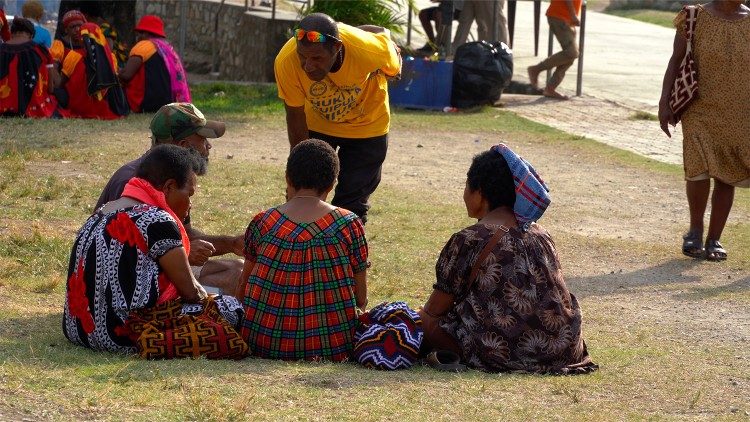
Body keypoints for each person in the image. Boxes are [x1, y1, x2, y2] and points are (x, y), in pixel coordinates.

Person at [419, 144, 597, 374]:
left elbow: (435, 309)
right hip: (563, 350)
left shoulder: (471, 238)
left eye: (466, 185)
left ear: (480, 192)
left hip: (501, 353)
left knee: (419, 320)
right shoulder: (541, 235)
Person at [63, 144, 245, 355]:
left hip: (79, 330)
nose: (190, 204)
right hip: (124, 334)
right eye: (189, 194)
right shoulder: (157, 220)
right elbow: (191, 293)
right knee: (231, 309)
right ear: (168, 187)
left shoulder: (103, 211)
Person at [239, 139, 368, 361]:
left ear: (288, 177)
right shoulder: (349, 224)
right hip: (333, 345)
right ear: (332, 184)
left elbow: (243, 287)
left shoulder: (263, 222)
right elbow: (361, 297)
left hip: (262, 341)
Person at [95, 103, 244, 294]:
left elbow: (184, 235)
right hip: (126, 289)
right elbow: (119, 261)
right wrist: (185, 256)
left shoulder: (170, 175)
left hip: (156, 271)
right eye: (202, 138)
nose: (208, 145)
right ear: (183, 146)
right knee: (230, 289)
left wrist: (232, 243)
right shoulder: (132, 182)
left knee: (239, 271)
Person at [274, 13, 401, 224]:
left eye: (317, 58)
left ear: (337, 48)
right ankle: (299, 251)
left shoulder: (368, 50)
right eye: (303, 57)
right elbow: (295, 114)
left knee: (351, 205)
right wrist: (299, 169)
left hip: (367, 126)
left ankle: (347, 255)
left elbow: (393, 62)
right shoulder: (286, 61)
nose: (307, 66)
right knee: (306, 193)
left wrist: (385, 69)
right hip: (318, 125)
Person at [658, 1, 750, 261]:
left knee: (727, 173)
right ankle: (695, 231)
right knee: (698, 168)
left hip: (740, 112)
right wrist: (665, 102)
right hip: (699, 107)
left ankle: (714, 239)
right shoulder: (693, 17)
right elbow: (675, 61)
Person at [51, 11, 129, 119]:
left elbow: (60, 83)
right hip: (91, 99)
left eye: (80, 26)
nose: (77, 29)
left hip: (75, 97)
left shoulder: (74, 56)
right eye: (73, 27)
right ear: (66, 30)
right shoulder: (60, 45)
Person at [119, 15, 190, 113]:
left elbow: (126, 75)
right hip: (167, 105)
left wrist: (115, 72)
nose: (138, 36)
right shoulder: (168, 50)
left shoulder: (144, 46)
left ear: (146, 33)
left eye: (140, 33)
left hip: (144, 104)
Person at [0, 17, 58, 117]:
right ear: (31, 36)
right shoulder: (41, 50)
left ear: (11, 33)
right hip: (35, 108)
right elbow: (51, 88)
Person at [527, 0, 581, 100]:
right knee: (571, 53)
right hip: (560, 16)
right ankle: (536, 69)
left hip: (565, 18)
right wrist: (573, 15)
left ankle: (550, 88)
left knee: (571, 55)